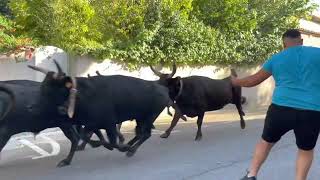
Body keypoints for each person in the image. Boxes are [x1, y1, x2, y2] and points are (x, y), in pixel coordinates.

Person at [232, 29, 320, 180]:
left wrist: (235, 81)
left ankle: (251, 175)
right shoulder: (317, 54)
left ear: (283, 44)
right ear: (301, 41)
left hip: (280, 109)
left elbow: (252, 81)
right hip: (311, 111)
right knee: (305, 150)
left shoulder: (277, 58)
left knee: (266, 141)